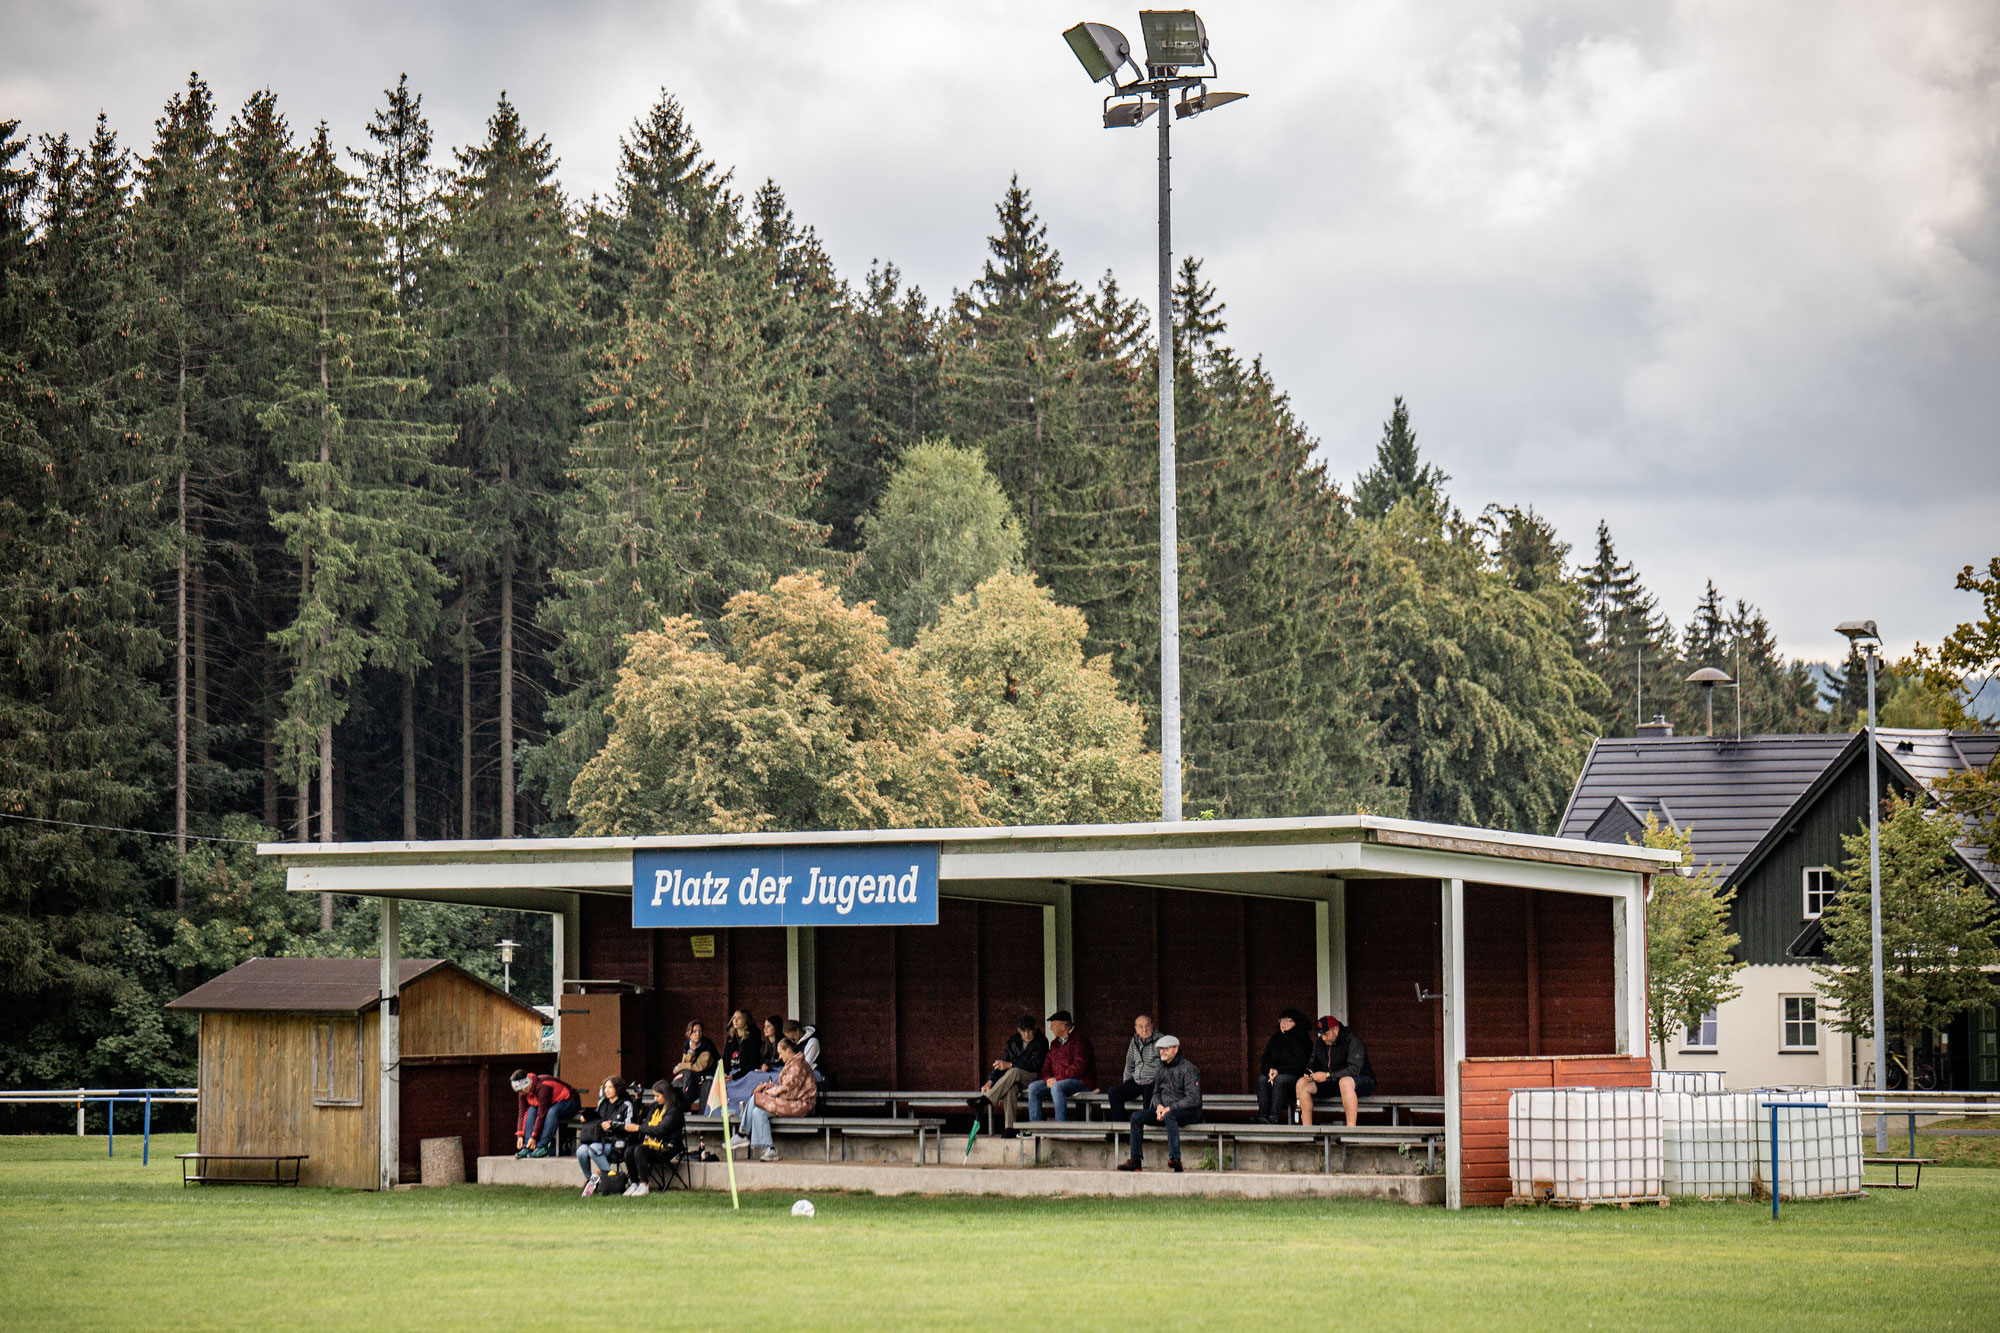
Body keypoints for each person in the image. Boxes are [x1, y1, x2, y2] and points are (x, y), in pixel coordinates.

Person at [1119, 1034, 1200, 1172]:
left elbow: (1193, 1099)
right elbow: (1155, 1093)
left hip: (1187, 1112)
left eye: (1166, 1049)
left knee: (1170, 1116)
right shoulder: (1161, 1069)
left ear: (1175, 1049)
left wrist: (1170, 1108)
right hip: (1165, 1111)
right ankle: (1135, 1160)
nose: (1162, 1052)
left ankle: (1175, 1159)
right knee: (1136, 1117)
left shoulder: (1189, 1069)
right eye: (1160, 1049)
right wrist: (1159, 1107)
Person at [733, 1036, 816, 1162]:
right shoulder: (793, 1063)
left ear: (788, 1050)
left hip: (800, 1104)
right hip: (791, 1102)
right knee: (758, 1111)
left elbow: (788, 1092)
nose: (780, 1057)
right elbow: (786, 1089)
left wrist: (768, 1092)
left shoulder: (797, 1065)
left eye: (781, 1053)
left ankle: (742, 1133)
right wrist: (771, 1090)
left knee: (756, 1098)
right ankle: (770, 1149)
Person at [969, 1015, 1048, 1136]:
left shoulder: (1041, 1041)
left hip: (1035, 1077)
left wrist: (1010, 1065)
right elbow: (1002, 1062)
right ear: (1018, 1030)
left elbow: (1035, 1064)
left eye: (1029, 1030)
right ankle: (1010, 1128)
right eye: (1023, 1031)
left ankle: (985, 1101)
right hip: (1016, 1078)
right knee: (1011, 1088)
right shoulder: (1013, 1041)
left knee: (1013, 1071)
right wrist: (990, 1081)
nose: (1027, 1034)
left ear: (1035, 1029)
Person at [1298, 1014, 1376, 1127]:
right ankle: (1307, 1132)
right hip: (1332, 1082)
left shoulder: (1352, 1040)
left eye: (1326, 1034)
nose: (1323, 1038)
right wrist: (1308, 1072)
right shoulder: (1320, 1043)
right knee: (1302, 1083)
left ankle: (1350, 1132)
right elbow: (1312, 1063)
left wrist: (1328, 1076)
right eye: (1321, 1035)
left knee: (1345, 1082)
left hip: (1361, 1081)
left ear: (1335, 1029)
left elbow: (1354, 1070)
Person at [1027, 1010, 1095, 1122]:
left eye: (1053, 1025)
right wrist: (1048, 1078)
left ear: (1063, 1026)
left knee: (1057, 1087)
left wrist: (1057, 1079)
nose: (1050, 1028)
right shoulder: (1055, 1044)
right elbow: (1045, 1067)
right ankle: (1035, 1128)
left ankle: (1060, 1126)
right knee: (1033, 1087)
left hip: (1081, 1081)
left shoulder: (1080, 1040)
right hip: (1059, 1082)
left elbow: (1079, 1067)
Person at [576, 1077, 638, 1195]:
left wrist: (612, 1125)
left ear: (618, 1089)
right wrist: (586, 1117)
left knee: (593, 1148)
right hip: (601, 1139)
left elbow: (629, 1125)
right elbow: (597, 1119)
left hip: (619, 1142)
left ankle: (612, 1181)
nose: (607, 1090)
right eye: (605, 1087)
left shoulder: (626, 1104)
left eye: (610, 1087)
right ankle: (590, 1181)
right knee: (581, 1151)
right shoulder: (603, 1104)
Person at [622, 1080, 684, 1196]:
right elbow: (639, 1117)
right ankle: (634, 1183)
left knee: (639, 1150)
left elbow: (660, 1130)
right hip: (651, 1143)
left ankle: (644, 1184)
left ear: (666, 1095)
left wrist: (638, 1128)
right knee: (629, 1150)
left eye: (657, 1096)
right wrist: (638, 1098)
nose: (655, 1099)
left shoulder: (674, 1110)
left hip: (668, 1146)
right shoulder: (656, 1106)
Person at [1255, 1008, 1312, 1123]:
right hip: (1275, 1076)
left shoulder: (1302, 1038)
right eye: (1282, 1020)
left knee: (1281, 1080)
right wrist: (1270, 1070)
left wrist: (1278, 1071)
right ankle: (1263, 1116)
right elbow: (1265, 1059)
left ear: (1297, 1022)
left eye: (1288, 1020)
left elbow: (1299, 1064)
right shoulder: (1275, 1038)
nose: (1283, 1023)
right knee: (1262, 1079)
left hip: (1294, 1079)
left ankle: (1273, 1118)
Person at [1104, 1014, 1160, 1123]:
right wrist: (1126, 1083)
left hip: (1153, 1081)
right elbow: (1129, 1064)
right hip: (1137, 1081)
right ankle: (1121, 1131)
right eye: (1140, 1026)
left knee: (1149, 1102)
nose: (1144, 1029)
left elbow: (1165, 1066)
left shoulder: (1160, 1040)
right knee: (1114, 1093)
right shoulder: (1134, 1041)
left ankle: (1145, 1133)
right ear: (1136, 1029)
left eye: (1147, 1026)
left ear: (1152, 1026)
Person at [511, 1070, 576, 1159]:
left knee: (552, 1112)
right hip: (551, 1104)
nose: (521, 1094)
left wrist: (534, 1137)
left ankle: (542, 1146)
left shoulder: (543, 1086)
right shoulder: (522, 1092)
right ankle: (527, 1146)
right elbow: (522, 1112)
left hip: (569, 1101)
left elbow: (541, 1114)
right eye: (518, 1091)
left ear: (528, 1084)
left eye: (522, 1090)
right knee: (532, 1109)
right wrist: (520, 1135)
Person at [720, 1009, 775, 1110]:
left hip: (745, 1073)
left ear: (746, 1020)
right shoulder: (731, 1036)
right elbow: (725, 1058)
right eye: (734, 1018)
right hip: (731, 1073)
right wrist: (725, 1072)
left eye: (739, 1018)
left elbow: (753, 1062)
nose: (735, 1021)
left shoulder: (753, 1037)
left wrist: (735, 1076)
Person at [669, 1020, 718, 1107]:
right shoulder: (687, 1044)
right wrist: (691, 1051)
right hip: (693, 1075)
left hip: (707, 1075)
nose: (698, 1034)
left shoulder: (706, 1044)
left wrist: (679, 1066)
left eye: (700, 1031)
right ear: (689, 1033)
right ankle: (678, 1105)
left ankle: (702, 1114)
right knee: (680, 1079)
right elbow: (686, 1063)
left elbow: (699, 1067)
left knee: (706, 1086)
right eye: (694, 1031)